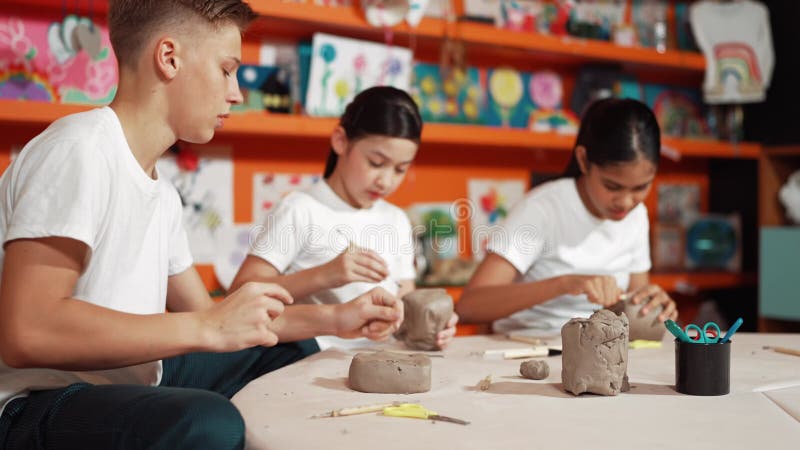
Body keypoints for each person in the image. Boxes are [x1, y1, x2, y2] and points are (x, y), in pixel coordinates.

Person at [0, 1, 401, 449]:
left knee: (288, 350)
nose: (236, 93)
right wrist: (207, 327)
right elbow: (27, 331)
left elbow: (211, 316)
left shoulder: (162, 193)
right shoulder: (79, 150)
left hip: (123, 377)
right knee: (209, 422)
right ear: (169, 58)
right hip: (33, 400)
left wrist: (338, 317)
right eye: (227, 70)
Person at [231, 86, 458, 349]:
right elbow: (239, 295)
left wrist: (431, 320)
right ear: (340, 141)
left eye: (400, 169)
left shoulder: (396, 219)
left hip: (383, 361)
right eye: (375, 163)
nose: (385, 181)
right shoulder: (301, 209)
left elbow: (405, 303)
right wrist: (326, 275)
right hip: (310, 364)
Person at [456, 98, 678, 334]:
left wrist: (652, 305)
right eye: (612, 186)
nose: (625, 202)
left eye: (640, 188)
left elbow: (632, 310)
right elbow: (469, 306)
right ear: (583, 160)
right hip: (530, 349)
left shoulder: (636, 215)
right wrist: (564, 284)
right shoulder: (542, 209)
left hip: (600, 351)